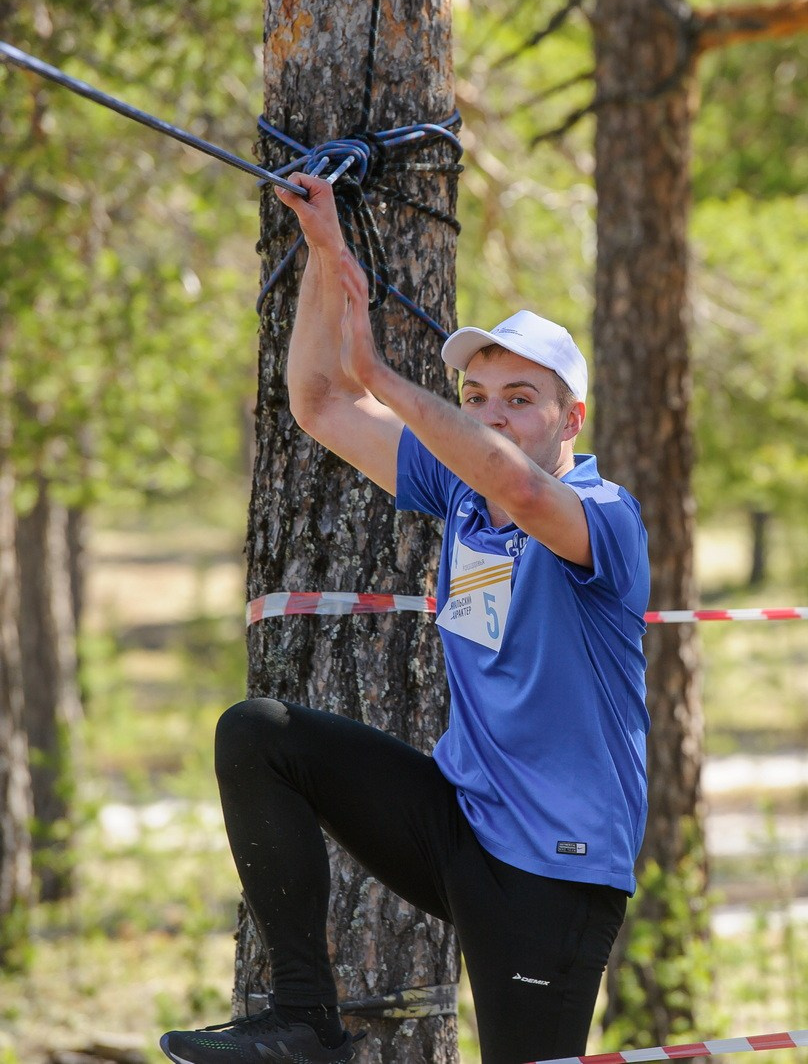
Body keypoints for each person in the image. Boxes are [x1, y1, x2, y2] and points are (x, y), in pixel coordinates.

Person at [159, 176, 650, 1064]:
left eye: (520, 398)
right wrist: (323, 252)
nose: (493, 414)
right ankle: (304, 1014)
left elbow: (518, 486)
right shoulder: (462, 496)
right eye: (476, 395)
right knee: (258, 735)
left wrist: (384, 374)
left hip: (556, 871)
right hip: (461, 825)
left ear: (571, 417)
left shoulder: (601, 514)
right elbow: (319, 403)